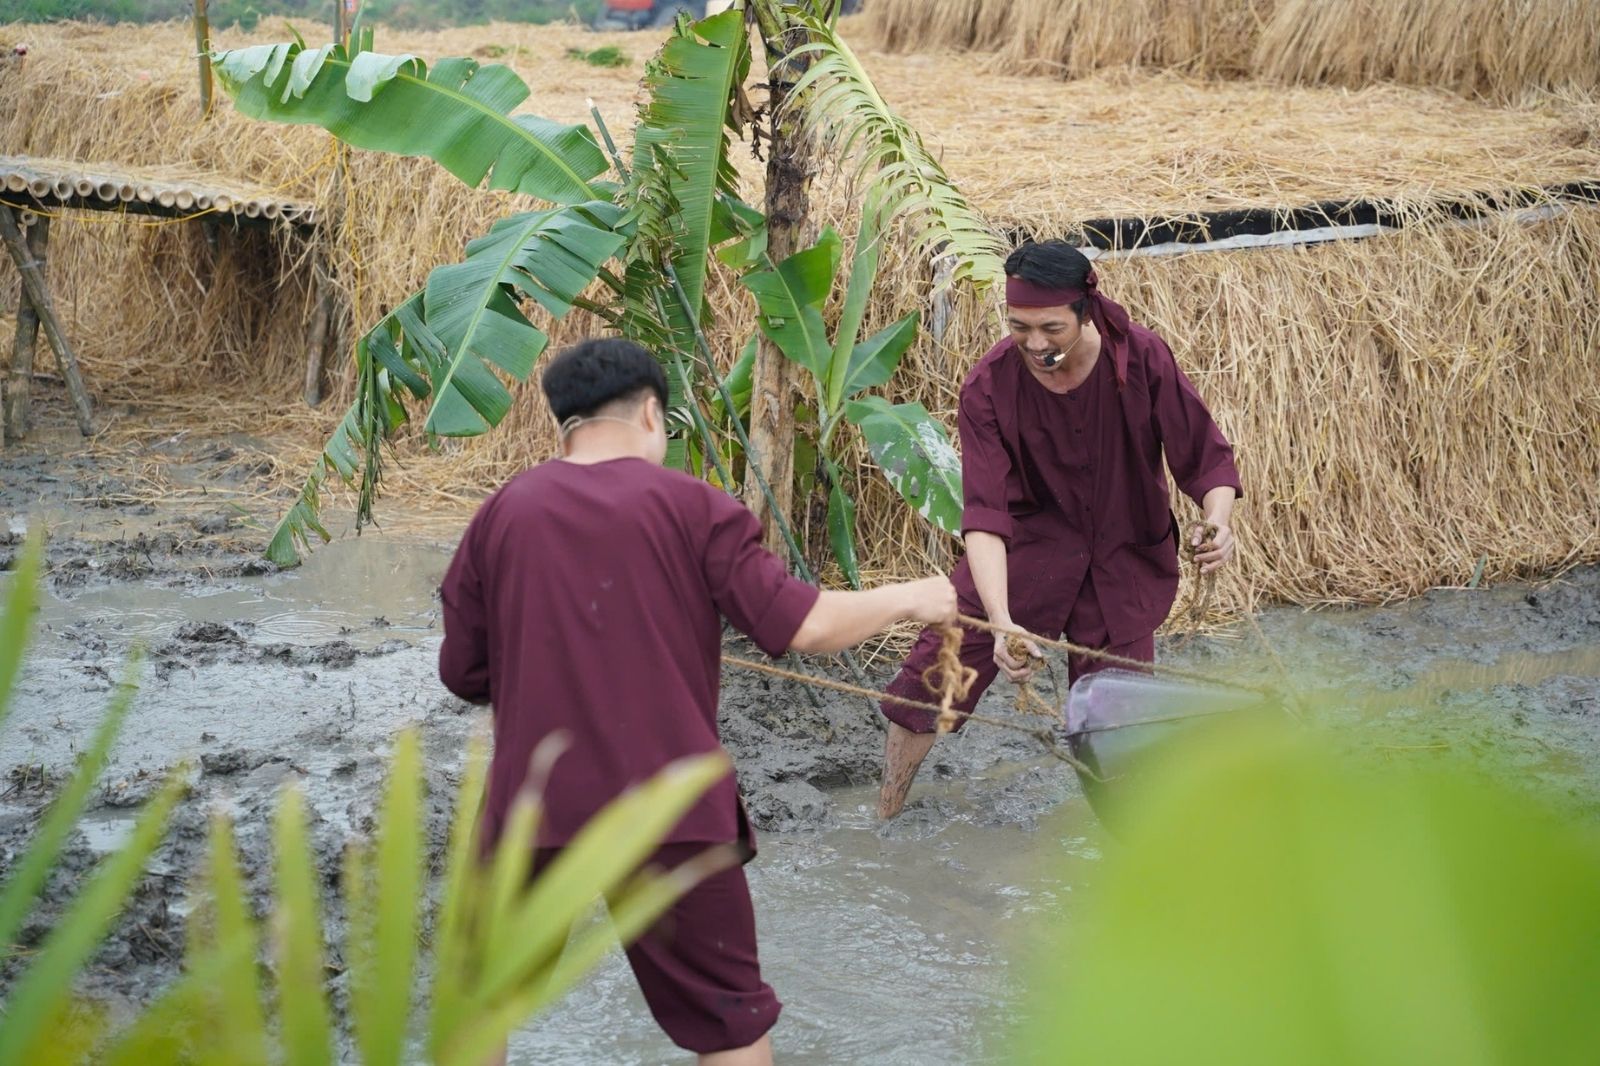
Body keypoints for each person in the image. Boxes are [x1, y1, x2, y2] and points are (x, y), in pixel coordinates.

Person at [438, 337, 957, 1066]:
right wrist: (914, 596)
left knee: (478, 1006)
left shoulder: (502, 514)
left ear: (565, 424)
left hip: (535, 810)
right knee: (731, 1025)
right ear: (652, 414)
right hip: (670, 811)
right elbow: (803, 625)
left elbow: (463, 672)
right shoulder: (692, 505)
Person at [876, 240, 1242, 820]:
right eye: (1020, 327)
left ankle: (1132, 857)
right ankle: (885, 814)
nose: (1036, 343)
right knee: (930, 679)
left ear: (1085, 309)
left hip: (1120, 567)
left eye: (1051, 327)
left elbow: (1206, 460)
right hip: (1022, 559)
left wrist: (1217, 523)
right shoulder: (988, 387)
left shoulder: (1143, 360)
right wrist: (997, 622)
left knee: (1116, 730)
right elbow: (985, 518)